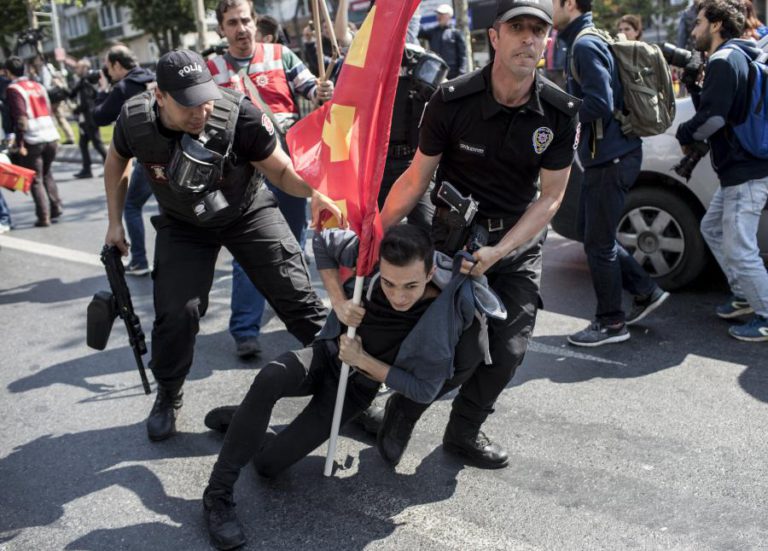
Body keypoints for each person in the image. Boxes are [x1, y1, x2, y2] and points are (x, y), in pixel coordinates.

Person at [202, 224, 489, 550]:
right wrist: (338, 300)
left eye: (411, 285)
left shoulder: (444, 316)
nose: (398, 296)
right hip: (325, 356)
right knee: (271, 375)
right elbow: (323, 240)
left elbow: (423, 390)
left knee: (268, 467)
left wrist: (364, 360)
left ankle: (248, 422)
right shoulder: (368, 256)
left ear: (431, 271)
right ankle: (217, 495)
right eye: (388, 282)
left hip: (354, 390)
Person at [380, 0, 580, 468]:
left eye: (538, 30)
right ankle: (402, 410)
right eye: (518, 28)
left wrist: (501, 250)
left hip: (514, 242)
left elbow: (549, 198)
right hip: (454, 235)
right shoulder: (452, 100)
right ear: (495, 36)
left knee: (509, 350)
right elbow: (415, 178)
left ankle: (463, 432)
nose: (529, 38)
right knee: (455, 351)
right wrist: (376, 232)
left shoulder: (560, 110)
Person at [103, 49, 341, 442]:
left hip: (246, 211)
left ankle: (346, 382)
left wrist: (312, 191)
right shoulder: (135, 119)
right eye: (188, 103)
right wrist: (114, 222)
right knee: (177, 313)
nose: (201, 111)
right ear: (160, 96)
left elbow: (280, 168)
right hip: (184, 225)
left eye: (206, 97)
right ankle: (169, 393)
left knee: (298, 298)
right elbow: (116, 162)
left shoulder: (239, 115)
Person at [208, 0, 335, 357]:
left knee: (290, 247)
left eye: (245, 20)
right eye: (232, 22)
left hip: (289, 164)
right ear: (222, 29)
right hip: (240, 174)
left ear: (254, 22)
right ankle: (245, 329)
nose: (241, 28)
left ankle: (301, 321)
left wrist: (321, 91)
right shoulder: (211, 67)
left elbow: (312, 88)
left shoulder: (281, 54)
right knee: (247, 250)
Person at [554, 0, 670, 347]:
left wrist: (560, 111)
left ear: (569, 4)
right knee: (595, 237)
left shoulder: (585, 44)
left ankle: (611, 323)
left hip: (610, 159)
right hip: (610, 157)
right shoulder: (586, 39)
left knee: (599, 244)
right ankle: (646, 290)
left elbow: (600, 103)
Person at [676, 0, 768, 342]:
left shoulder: (725, 59)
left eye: (699, 22)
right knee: (712, 228)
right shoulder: (738, 55)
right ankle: (745, 294)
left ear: (716, 25)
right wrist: (696, 87)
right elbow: (720, 110)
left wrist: (684, 134)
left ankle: (765, 313)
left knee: (741, 247)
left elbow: (714, 119)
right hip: (740, 168)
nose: (694, 29)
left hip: (745, 170)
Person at [95, 45, 157, 276]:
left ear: (118, 65)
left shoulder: (123, 87)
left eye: (109, 68)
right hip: (173, 153)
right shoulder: (153, 78)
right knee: (170, 212)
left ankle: (139, 260)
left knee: (131, 205)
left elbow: (100, 116)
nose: (108, 73)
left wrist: (102, 89)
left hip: (148, 157)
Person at [4, 56, 62, 228]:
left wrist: (19, 143)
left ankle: (44, 216)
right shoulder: (38, 85)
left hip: (33, 138)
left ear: (8, 72)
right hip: (51, 135)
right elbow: (49, 109)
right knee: (47, 173)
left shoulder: (14, 89)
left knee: (35, 178)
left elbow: (21, 119)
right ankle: (56, 206)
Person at [69, 59, 107, 179]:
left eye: (78, 67)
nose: (76, 70)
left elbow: (87, 103)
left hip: (89, 119)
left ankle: (110, 167)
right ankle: (86, 169)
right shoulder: (84, 81)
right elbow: (72, 94)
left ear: (85, 68)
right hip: (86, 118)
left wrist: (76, 110)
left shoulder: (86, 82)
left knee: (97, 144)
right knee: (83, 143)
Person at [418, 4, 468, 79]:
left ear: (449, 16)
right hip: (435, 72)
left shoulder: (456, 33)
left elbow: (463, 55)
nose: (439, 16)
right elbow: (418, 31)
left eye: (442, 14)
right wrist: (415, 15)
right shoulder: (432, 31)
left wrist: (462, 73)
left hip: (453, 74)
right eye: (438, 14)